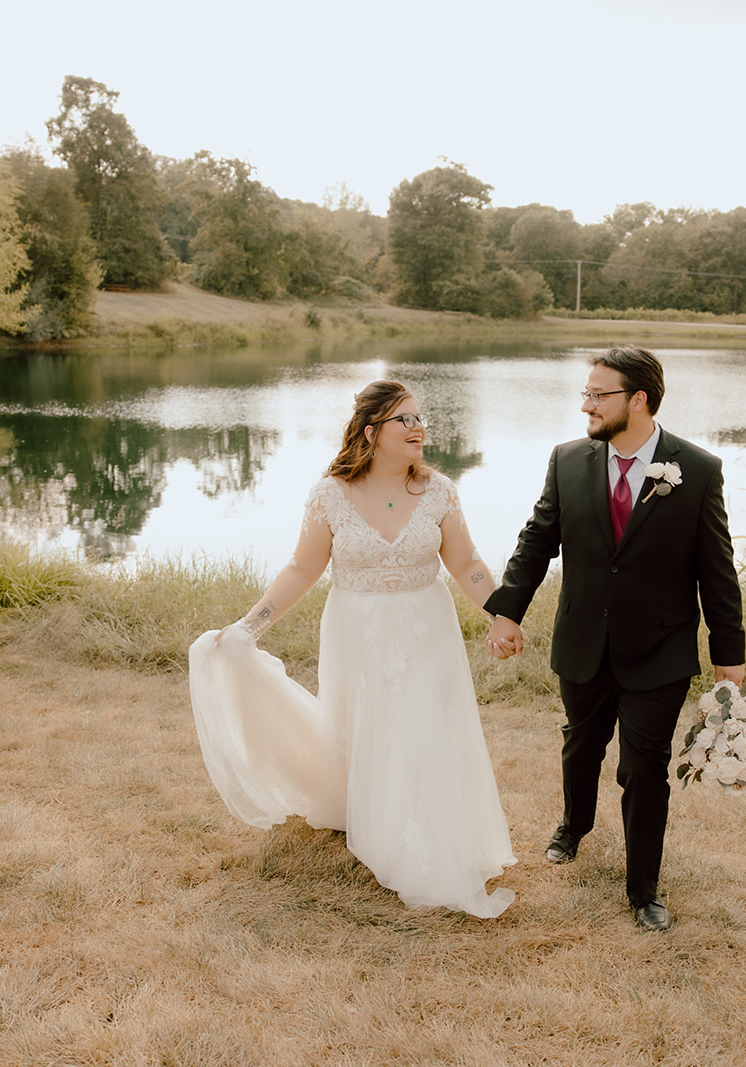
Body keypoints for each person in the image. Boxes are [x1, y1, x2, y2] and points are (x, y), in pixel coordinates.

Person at [187, 380, 516, 918]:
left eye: (419, 418)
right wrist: (250, 625)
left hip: (424, 632)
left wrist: (501, 614)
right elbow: (302, 568)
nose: (418, 428)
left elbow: (467, 564)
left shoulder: (438, 491)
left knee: (419, 729)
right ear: (371, 432)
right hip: (357, 631)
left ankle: (418, 844)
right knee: (367, 728)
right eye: (403, 420)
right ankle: (372, 819)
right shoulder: (330, 495)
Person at [485, 345, 745, 932]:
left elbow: (717, 569)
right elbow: (536, 543)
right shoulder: (567, 460)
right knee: (582, 742)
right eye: (585, 394)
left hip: (660, 647)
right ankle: (574, 825)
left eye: (597, 395)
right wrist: (507, 612)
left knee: (644, 766)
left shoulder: (698, 470)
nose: (585, 406)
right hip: (583, 639)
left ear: (638, 400)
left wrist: (729, 657)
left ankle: (643, 888)